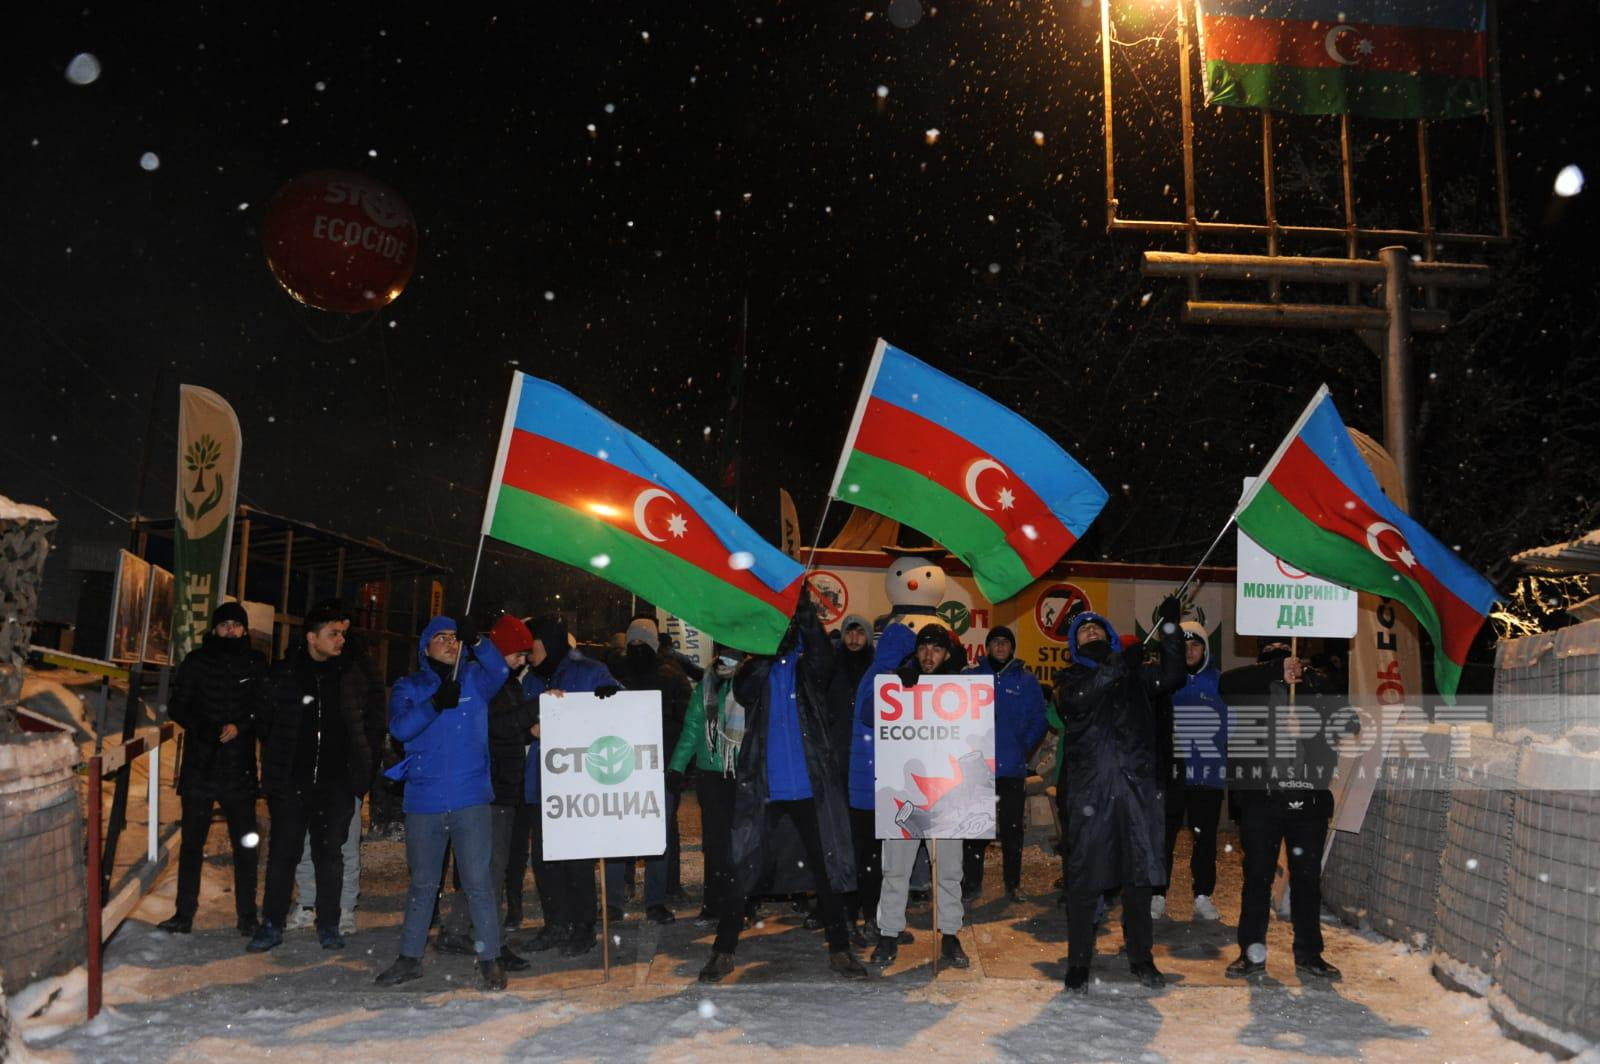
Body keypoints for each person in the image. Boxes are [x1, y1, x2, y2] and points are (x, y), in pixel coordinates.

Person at [697, 598, 868, 982]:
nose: (784, 631)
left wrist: (804, 611)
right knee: (742, 866)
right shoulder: (757, 667)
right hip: (766, 787)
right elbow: (743, 691)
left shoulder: (810, 666)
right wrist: (764, 653)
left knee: (827, 869)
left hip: (810, 788)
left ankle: (840, 949)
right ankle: (723, 951)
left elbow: (823, 656)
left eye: (788, 624)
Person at [375, 615, 517, 990]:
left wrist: (480, 642)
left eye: (455, 637)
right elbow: (400, 728)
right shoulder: (410, 686)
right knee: (423, 885)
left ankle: (490, 959)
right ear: (425, 647)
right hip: (425, 799)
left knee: (478, 883)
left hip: (471, 798)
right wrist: (435, 703)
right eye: (441, 637)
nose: (450, 643)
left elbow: (501, 670)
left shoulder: (474, 678)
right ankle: (410, 958)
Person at [1055, 600, 1186, 993]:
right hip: (1090, 792)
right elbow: (1077, 700)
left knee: (1139, 877)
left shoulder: (1137, 676)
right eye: (1083, 630)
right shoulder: (1069, 679)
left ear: (1110, 636)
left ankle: (1141, 957)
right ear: (1075, 645)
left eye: (1097, 627)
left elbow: (1174, 674)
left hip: (1135, 792)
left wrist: (1169, 629)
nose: (1091, 631)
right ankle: (1079, 961)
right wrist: (1116, 665)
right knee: (1084, 879)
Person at [247, 600, 378, 954]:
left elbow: (366, 725)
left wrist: (359, 777)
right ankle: (271, 924)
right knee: (283, 854)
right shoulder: (285, 674)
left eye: (342, 634)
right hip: (292, 784)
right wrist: (278, 774)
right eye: (333, 634)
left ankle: (329, 925)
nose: (341, 640)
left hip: (336, 784)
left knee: (330, 855)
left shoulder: (349, 676)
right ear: (311, 637)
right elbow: (265, 723)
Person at [1220, 642, 1342, 980]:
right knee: (1257, 879)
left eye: (1290, 662)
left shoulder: (1315, 690)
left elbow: (1348, 722)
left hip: (1309, 801)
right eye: (1275, 663)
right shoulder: (1250, 694)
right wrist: (1274, 672)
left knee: (1307, 881)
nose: (1287, 668)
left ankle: (1309, 954)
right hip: (1263, 801)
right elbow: (1226, 683)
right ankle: (1251, 954)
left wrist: (1314, 717)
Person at [433, 615, 538, 972]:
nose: (522, 661)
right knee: (491, 871)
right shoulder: (488, 683)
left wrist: (528, 730)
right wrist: (534, 710)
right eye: (517, 654)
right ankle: (492, 942)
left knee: (485, 869)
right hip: (491, 789)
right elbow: (496, 727)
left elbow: (507, 730)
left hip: (501, 786)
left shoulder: (505, 684)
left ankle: (457, 931)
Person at [864, 623, 971, 970]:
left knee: (949, 870)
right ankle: (889, 933)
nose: (929, 655)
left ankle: (950, 934)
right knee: (895, 869)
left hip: (949, 794)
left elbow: (985, 724)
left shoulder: (961, 688)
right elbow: (866, 713)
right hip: (904, 792)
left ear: (947, 654)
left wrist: (969, 687)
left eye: (936, 649)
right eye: (923, 647)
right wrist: (895, 687)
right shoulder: (899, 681)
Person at [159, 602, 267, 936]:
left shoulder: (256, 662)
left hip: (239, 769)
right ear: (214, 628)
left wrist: (242, 725)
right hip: (200, 767)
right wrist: (204, 728)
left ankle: (247, 916)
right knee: (192, 845)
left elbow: (264, 706)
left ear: (245, 629)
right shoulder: (196, 661)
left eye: (236, 625)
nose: (230, 630)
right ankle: (184, 913)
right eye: (224, 625)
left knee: (245, 846)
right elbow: (178, 705)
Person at [519, 615, 621, 957]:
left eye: (530, 643)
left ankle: (583, 927)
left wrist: (612, 696)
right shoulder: (531, 679)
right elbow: (518, 723)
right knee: (545, 860)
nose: (526, 651)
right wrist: (529, 728)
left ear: (547, 642)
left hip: (578, 785)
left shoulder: (589, 671)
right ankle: (555, 924)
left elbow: (624, 707)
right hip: (540, 783)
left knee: (577, 859)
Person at [285, 626, 386, 936]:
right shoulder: (305, 671)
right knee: (306, 844)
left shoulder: (360, 673)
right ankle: (308, 902)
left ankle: (344, 907)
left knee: (346, 845)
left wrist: (362, 772)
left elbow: (372, 726)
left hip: (346, 776)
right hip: (309, 776)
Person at [607, 619, 693, 924]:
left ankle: (655, 901)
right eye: (632, 642)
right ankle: (613, 902)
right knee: (618, 835)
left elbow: (687, 724)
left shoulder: (672, 676)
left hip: (660, 769)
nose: (637, 647)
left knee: (658, 838)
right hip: (622, 768)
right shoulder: (614, 673)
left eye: (642, 642)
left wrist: (678, 767)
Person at [961, 625, 1047, 904]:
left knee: (1012, 830)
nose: (1000, 646)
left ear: (1012, 648)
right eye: (995, 642)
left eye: (1005, 642)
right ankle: (971, 883)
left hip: (1011, 767)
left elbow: (1039, 719)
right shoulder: (972, 676)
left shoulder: (1027, 680)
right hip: (978, 768)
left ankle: (1013, 884)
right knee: (975, 830)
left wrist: (1021, 748)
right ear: (987, 647)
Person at [1153, 621, 1228, 922]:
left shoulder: (1220, 682)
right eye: (1182, 646)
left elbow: (1232, 726)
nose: (1189, 651)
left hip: (1207, 775)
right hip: (1170, 775)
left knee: (1204, 839)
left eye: (1195, 644)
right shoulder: (1164, 681)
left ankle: (1203, 895)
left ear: (1205, 649)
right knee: (1163, 837)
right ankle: (1157, 894)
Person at [668, 646, 745, 926]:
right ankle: (713, 904)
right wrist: (676, 766)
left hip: (741, 773)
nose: (727, 660)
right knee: (714, 844)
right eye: (724, 654)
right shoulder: (706, 685)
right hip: (710, 774)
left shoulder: (748, 684)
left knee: (742, 843)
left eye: (733, 655)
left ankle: (742, 904)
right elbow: (692, 727)